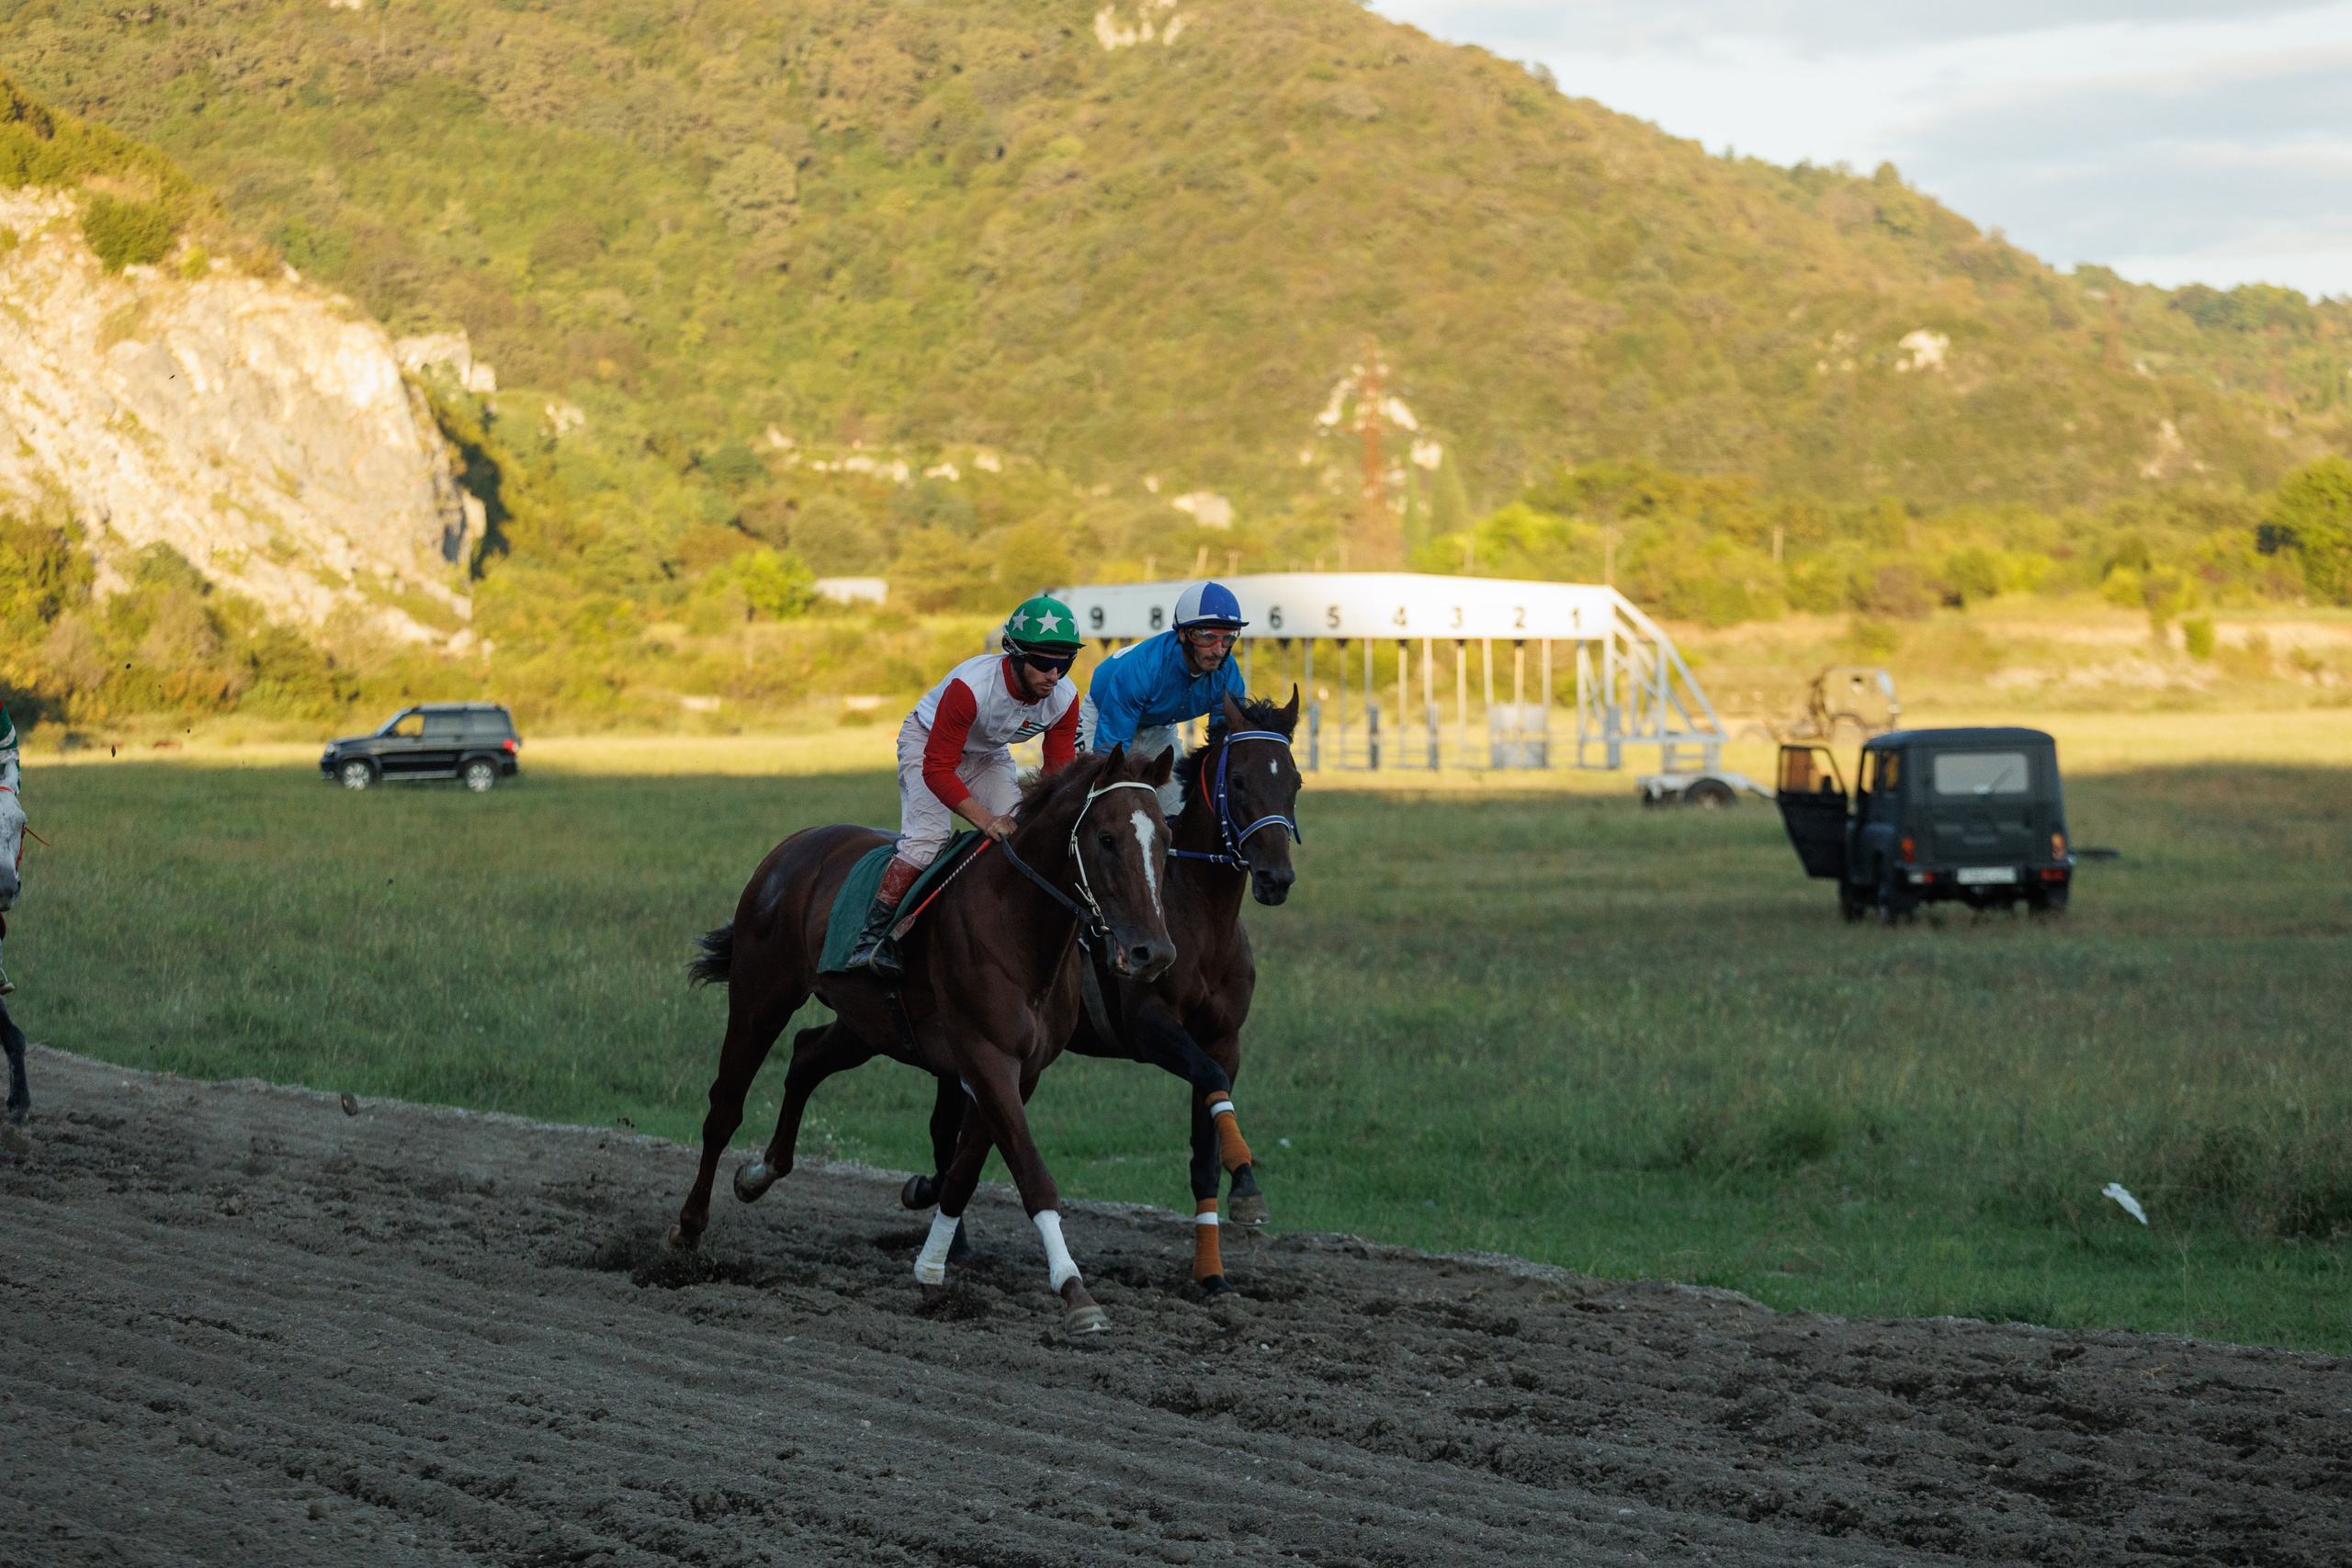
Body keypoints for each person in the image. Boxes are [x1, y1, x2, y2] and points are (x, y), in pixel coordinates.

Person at [841, 596, 1086, 979]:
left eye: (1065, 662)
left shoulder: (1065, 698)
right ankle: (871, 938)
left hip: (987, 752)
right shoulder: (970, 687)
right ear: (1015, 655)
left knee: (1023, 833)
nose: (1054, 675)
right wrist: (986, 820)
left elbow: (1058, 772)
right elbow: (938, 768)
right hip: (928, 743)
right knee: (928, 840)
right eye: (1043, 662)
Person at [1080, 580, 1249, 766]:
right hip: (1105, 715)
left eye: (1228, 638)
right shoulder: (1144, 668)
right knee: (1099, 787)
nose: (1218, 651)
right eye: (1207, 636)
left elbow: (1222, 747)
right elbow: (1109, 755)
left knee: (1177, 795)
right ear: (1183, 634)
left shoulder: (1228, 673)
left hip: (1158, 726)